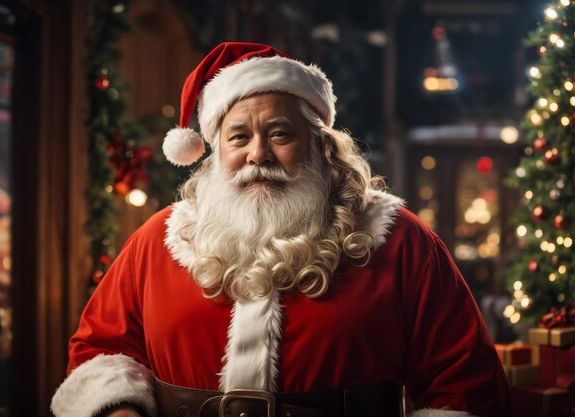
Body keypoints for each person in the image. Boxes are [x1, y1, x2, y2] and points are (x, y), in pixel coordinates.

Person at [51, 42, 511, 417]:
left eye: (280, 133)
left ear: (320, 146)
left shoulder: (400, 240)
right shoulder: (158, 240)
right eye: (238, 137)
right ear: (214, 151)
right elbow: (100, 346)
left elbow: (465, 382)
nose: (258, 155)